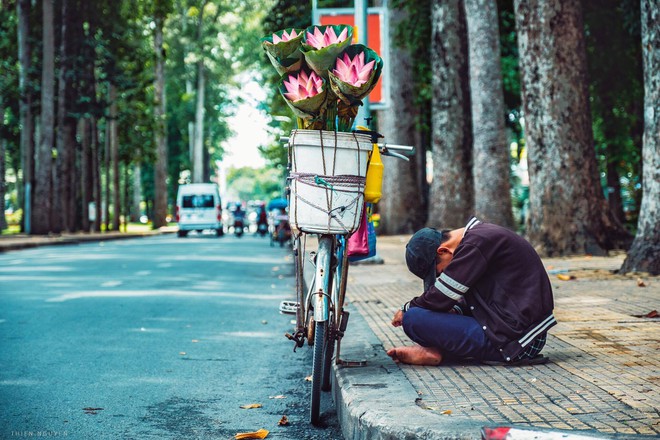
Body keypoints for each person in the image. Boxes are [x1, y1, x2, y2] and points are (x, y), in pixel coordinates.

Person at [387, 216, 556, 366]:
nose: (443, 276)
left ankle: (437, 352)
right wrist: (455, 310)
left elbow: (442, 296)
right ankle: (434, 351)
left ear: (443, 251)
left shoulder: (476, 242)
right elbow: (471, 299)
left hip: (516, 342)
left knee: (414, 318)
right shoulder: (479, 238)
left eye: (441, 272)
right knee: (430, 314)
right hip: (511, 330)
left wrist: (406, 309)